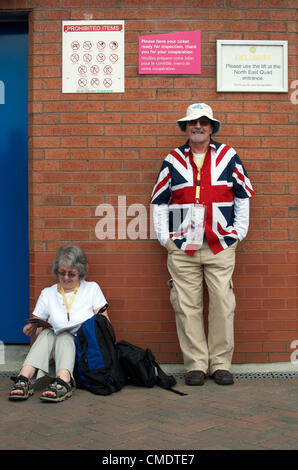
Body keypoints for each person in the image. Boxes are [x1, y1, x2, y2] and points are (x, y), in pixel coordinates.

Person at [151, 103, 254, 386]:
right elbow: (159, 202)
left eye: (204, 122)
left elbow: (242, 195)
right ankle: (195, 364)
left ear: (212, 127)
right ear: (185, 127)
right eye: (192, 122)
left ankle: (221, 364)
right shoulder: (173, 159)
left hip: (220, 244)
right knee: (187, 306)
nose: (198, 126)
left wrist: (239, 232)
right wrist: (165, 238)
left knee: (222, 303)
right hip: (183, 247)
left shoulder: (228, 155)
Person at [9, 245, 108, 402]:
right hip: (55, 350)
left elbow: (104, 324)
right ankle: (23, 378)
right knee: (49, 333)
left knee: (65, 336)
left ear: (81, 273)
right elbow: (37, 328)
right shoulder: (48, 293)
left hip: (82, 349)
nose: (66, 277)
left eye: (72, 274)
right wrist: (32, 329)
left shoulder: (92, 289)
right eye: (62, 273)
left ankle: (63, 381)